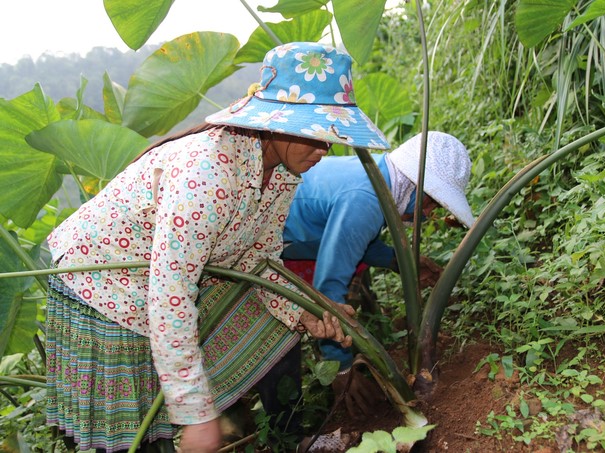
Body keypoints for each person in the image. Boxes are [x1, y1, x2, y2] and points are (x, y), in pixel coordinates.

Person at [44, 41, 390, 453]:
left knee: (274, 327)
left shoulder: (280, 173)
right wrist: (197, 415)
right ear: (273, 122)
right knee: (130, 435)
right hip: (103, 281)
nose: (323, 150)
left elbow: (258, 260)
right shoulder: (208, 175)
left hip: (164, 281)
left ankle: (288, 438)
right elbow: (170, 295)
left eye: (330, 137)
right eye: (312, 134)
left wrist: (307, 311)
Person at [281, 131, 476, 416]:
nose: (428, 213)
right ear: (420, 190)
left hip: (297, 241)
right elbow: (327, 290)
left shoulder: (380, 178)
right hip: (264, 245)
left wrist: (398, 261)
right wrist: (341, 369)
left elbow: (357, 240)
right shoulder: (366, 199)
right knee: (278, 349)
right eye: (432, 204)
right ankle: (286, 425)